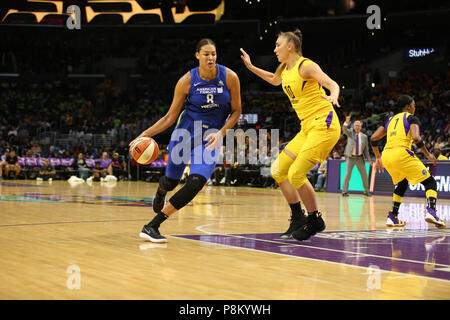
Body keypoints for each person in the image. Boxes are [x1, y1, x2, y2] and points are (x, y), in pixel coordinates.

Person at [130, 38, 242, 243]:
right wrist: (145, 134)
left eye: (214, 54)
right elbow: (170, 117)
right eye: (206, 54)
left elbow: (237, 111)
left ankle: (152, 226)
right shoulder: (186, 81)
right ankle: (161, 190)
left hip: (211, 138)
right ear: (197, 55)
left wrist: (222, 133)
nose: (210, 58)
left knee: (196, 182)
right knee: (171, 181)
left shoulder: (230, 77)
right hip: (185, 133)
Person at [240, 29, 341, 241]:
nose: (274, 49)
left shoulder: (307, 66)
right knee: (278, 170)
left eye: (278, 45)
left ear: (290, 46)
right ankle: (297, 217)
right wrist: (250, 67)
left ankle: (315, 219)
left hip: (324, 123)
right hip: (307, 127)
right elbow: (274, 79)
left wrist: (333, 95)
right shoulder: (285, 69)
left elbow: (332, 83)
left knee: (296, 174)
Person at [370, 95, 445, 228]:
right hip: (401, 153)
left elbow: (374, 138)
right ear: (408, 107)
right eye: (414, 106)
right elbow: (416, 138)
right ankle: (431, 211)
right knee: (430, 182)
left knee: (402, 184)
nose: (414, 108)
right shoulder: (411, 118)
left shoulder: (389, 120)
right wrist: (428, 155)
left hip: (387, 155)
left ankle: (393, 216)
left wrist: (377, 157)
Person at [341, 115, 372, 197]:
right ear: (353, 126)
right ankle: (344, 191)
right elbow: (344, 129)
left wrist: (369, 159)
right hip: (350, 157)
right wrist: (346, 122)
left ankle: (366, 191)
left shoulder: (364, 137)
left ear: (361, 127)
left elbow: (366, 150)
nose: (357, 127)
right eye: (355, 125)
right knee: (348, 174)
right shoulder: (350, 133)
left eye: (358, 125)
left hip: (360, 158)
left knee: (364, 175)